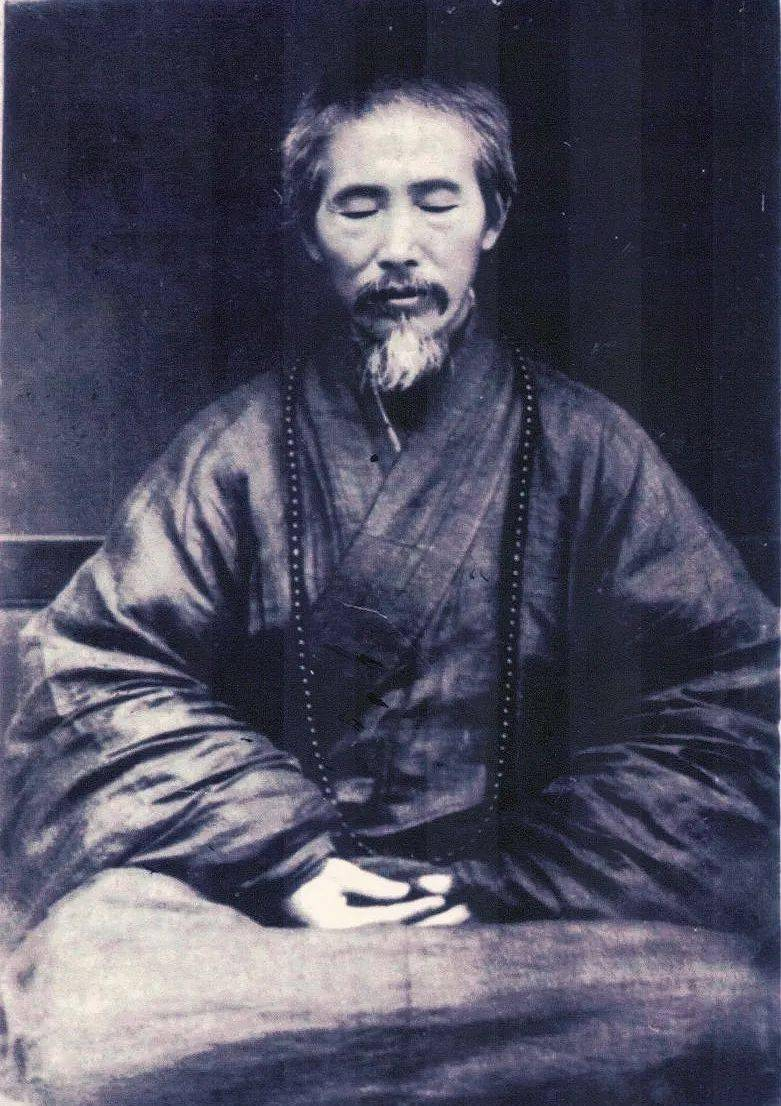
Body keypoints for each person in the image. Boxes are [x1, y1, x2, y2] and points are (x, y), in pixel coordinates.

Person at [0, 73, 777, 1105]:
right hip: (268, 917)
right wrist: (291, 859)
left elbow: (733, 702)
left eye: (436, 201)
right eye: (357, 206)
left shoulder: (590, 449)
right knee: (91, 1013)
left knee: (721, 1007)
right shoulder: (233, 450)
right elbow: (94, 675)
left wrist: (509, 882)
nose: (398, 246)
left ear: (492, 220)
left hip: (522, 923)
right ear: (310, 232)